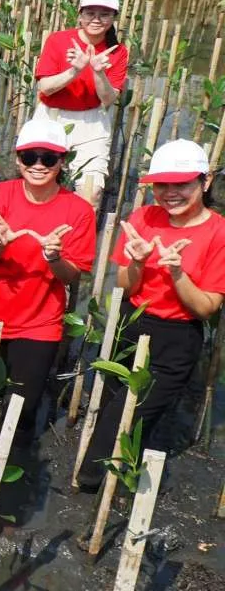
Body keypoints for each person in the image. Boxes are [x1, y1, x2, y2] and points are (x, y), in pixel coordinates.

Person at [77, 140, 225, 491]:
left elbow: (206, 308)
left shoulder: (219, 232)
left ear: (205, 181)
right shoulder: (143, 217)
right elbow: (127, 287)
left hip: (178, 335)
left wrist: (177, 274)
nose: (170, 193)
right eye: (162, 184)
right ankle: (113, 484)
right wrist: (139, 262)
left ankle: (92, 481)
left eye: (181, 184)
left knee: (128, 418)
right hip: (132, 321)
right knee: (113, 404)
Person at [0, 118, 95, 453]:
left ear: (62, 162)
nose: (38, 165)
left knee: (22, 411)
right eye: (30, 156)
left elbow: (71, 276)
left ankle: (11, 461)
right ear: (18, 159)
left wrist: (53, 257)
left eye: (48, 157)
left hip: (39, 323)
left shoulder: (79, 210)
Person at [34, 0, 128, 206]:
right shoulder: (58, 40)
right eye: (90, 13)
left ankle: (80, 227)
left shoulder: (117, 51)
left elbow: (108, 99)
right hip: (51, 117)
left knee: (91, 193)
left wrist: (98, 72)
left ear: (113, 18)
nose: (96, 19)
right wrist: (75, 70)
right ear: (80, 15)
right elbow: (45, 88)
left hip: (92, 122)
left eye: (104, 14)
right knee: (40, 183)